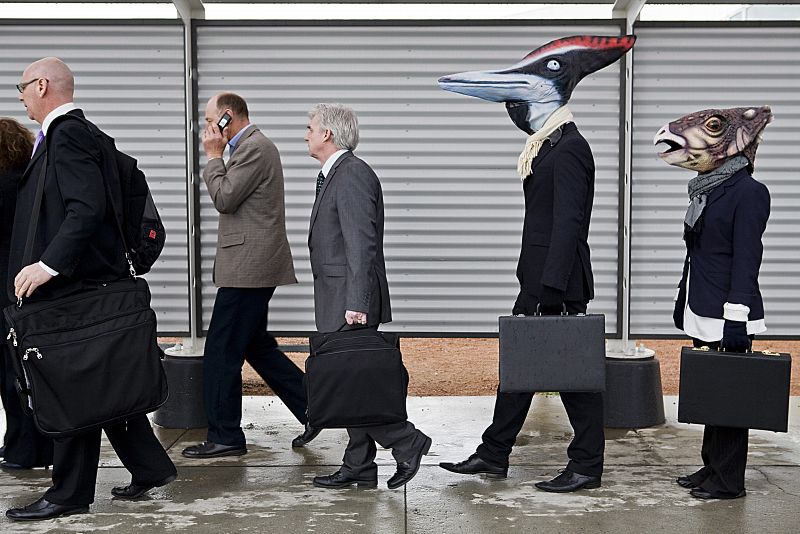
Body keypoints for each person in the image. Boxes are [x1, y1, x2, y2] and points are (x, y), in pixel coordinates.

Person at [436, 35, 635, 492]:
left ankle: (586, 465)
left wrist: (549, 289)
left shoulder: (569, 149)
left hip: (558, 284)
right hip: (543, 278)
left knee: (574, 377)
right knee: (521, 366)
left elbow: (569, 225)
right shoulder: (549, 145)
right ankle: (494, 453)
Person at [5, 57, 176, 522]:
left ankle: (68, 494)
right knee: (100, 384)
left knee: (71, 388)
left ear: (41, 86)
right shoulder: (88, 135)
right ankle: (150, 466)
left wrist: (46, 265)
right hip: (93, 282)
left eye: (22, 88)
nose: (20, 97)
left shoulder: (68, 136)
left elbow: (87, 208)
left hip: (75, 285)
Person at [182, 92, 317, 459]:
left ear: (227, 117)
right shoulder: (249, 148)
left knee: (221, 351)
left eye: (211, 120)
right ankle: (315, 409)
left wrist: (213, 157)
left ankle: (225, 435)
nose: (208, 128)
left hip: (250, 268)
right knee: (256, 346)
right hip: (249, 264)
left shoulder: (255, 148)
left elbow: (225, 197)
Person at [305, 103, 431, 489]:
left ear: (327, 134)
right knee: (353, 382)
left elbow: (362, 245)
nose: (305, 134)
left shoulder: (352, 175)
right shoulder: (337, 175)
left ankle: (407, 441)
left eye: (310, 128)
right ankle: (359, 465)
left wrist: (358, 301)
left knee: (350, 384)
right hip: (340, 294)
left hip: (349, 299)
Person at [654, 105, 773, 500]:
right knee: (713, 391)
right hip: (704, 305)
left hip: (728, 311)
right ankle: (711, 467)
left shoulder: (749, 193)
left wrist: (736, 315)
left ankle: (728, 481)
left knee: (731, 398)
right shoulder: (710, 190)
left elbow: (747, 258)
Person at [0, 117, 54, 470]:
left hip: (4, 292)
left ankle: (22, 450)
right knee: (29, 373)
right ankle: (39, 445)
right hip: (30, 290)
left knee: (10, 376)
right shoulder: (28, 182)